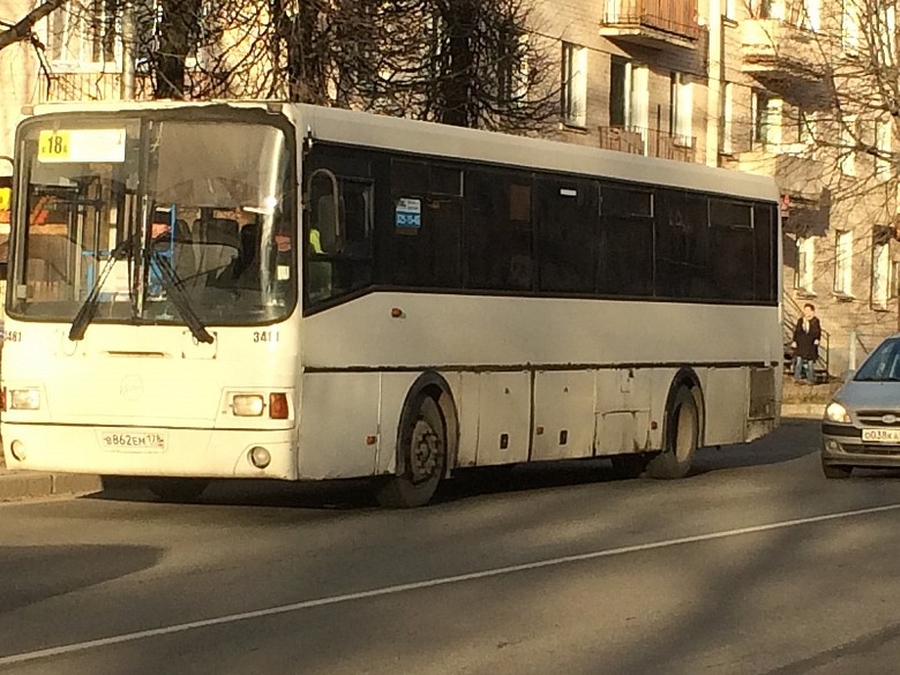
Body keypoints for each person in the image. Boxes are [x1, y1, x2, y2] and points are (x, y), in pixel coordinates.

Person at [792, 303, 821, 384]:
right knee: (799, 361)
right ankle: (797, 378)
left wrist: (817, 339)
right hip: (801, 344)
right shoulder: (800, 320)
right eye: (805, 310)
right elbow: (797, 331)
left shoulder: (815, 321)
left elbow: (817, 332)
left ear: (812, 312)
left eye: (808, 310)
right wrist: (794, 341)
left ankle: (810, 379)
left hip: (810, 345)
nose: (806, 312)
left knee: (810, 363)